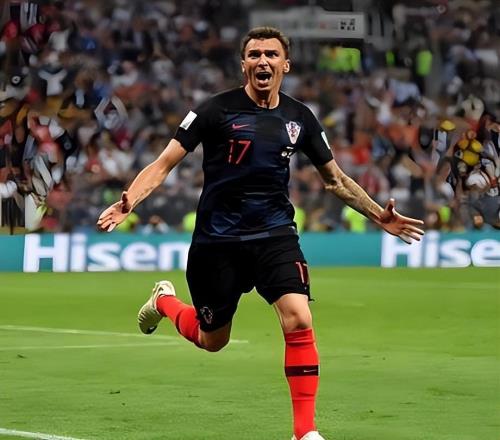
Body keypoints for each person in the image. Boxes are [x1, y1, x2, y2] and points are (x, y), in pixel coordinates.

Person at [97, 27, 425, 440]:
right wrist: (130, 200)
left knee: (299, 317)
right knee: (212, 340)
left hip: (274, 234)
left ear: (285, 64)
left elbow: (335, 180)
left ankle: (305, 432)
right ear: (244, 65)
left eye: (271, 54)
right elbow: (163, 165)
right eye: (254, 55)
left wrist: (379, 215)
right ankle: (164, 301)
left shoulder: (300, 118)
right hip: (217, 242)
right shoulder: (214, 111)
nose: (263, 61)